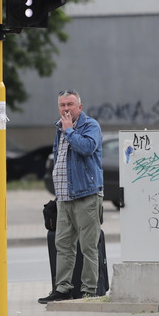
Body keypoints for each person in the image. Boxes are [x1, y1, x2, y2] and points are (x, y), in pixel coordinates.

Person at [39, 90, 104, 304]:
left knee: (88, 246)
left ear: (80, 107)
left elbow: (87, 148)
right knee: (63, 245)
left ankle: (89, 291)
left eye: (70, 104)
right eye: (62, 105)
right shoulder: (59, 128)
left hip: (86, 195)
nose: (66, 108)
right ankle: (63, 289)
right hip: (64, 197)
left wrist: (69, 131)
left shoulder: (90, 126)